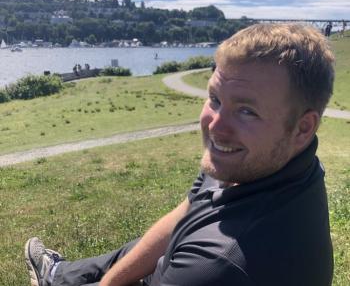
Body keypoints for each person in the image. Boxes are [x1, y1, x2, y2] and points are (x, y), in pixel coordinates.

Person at [24, 23, 335, 286]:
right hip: (175, 259)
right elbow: (188, 211)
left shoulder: (220, 265)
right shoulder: (271, 160)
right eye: (214, 98)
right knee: (128, 254)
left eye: (246, 110)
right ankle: (61, 275)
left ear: (303, 128)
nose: (215, 126)